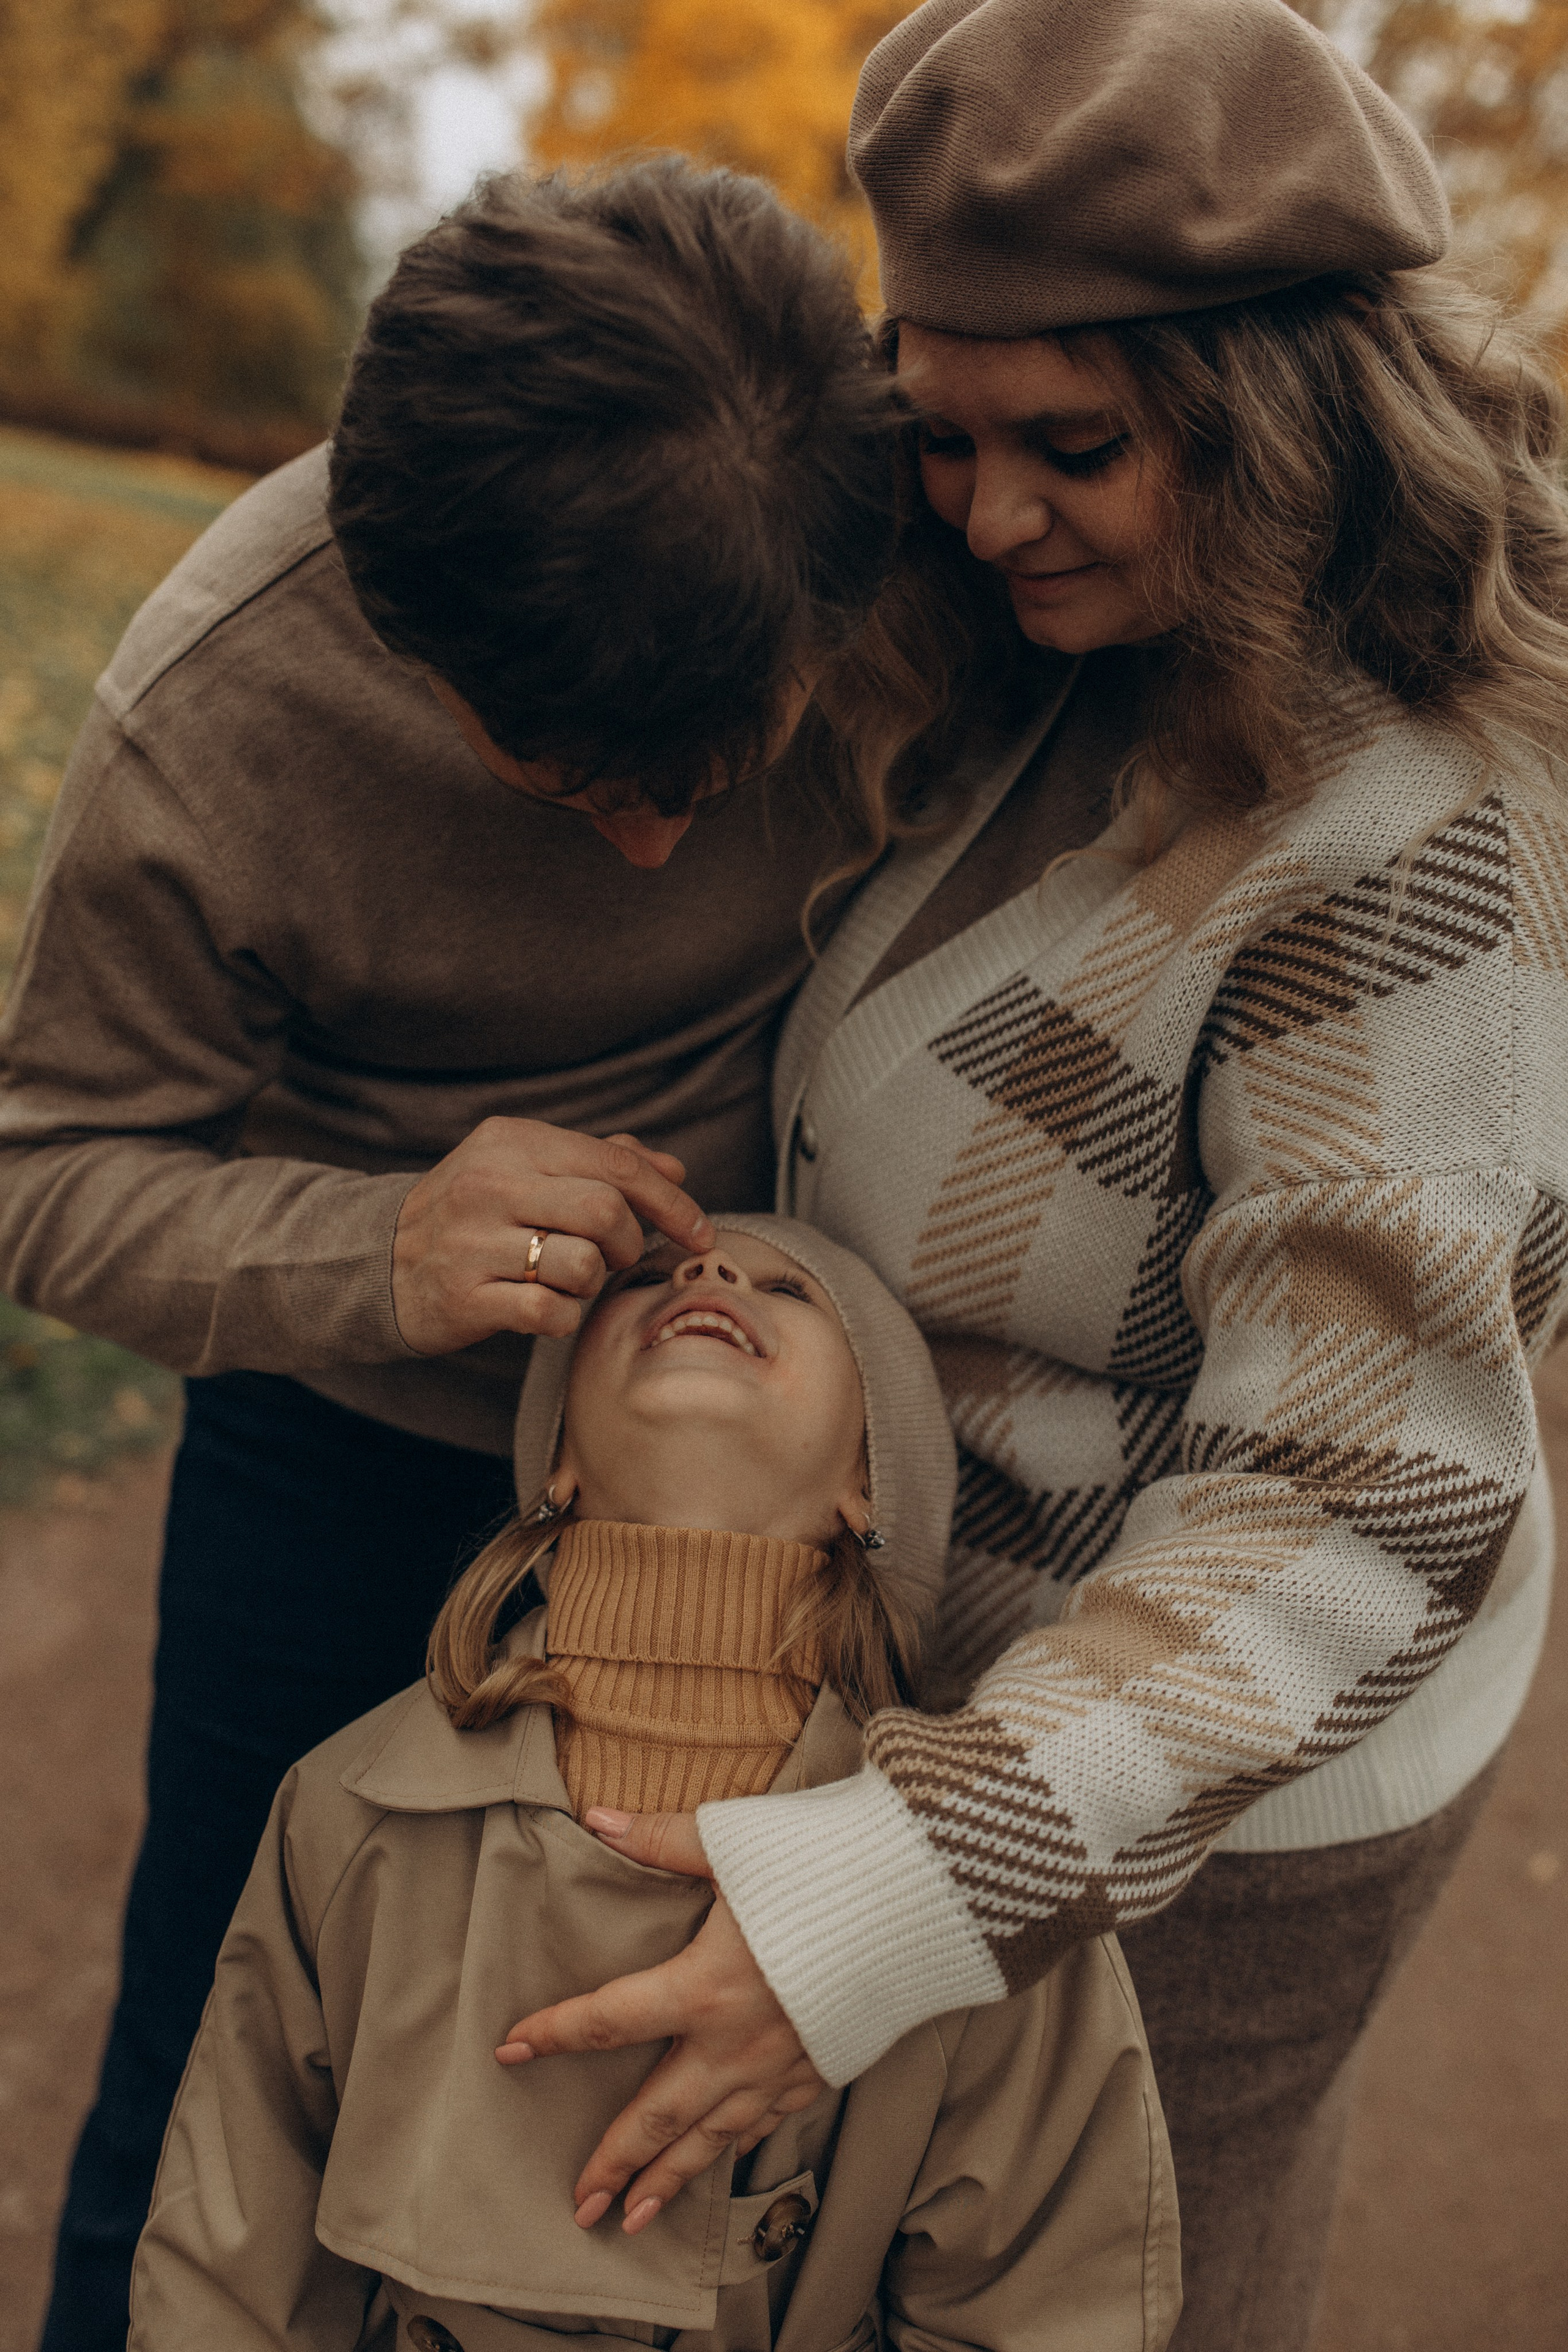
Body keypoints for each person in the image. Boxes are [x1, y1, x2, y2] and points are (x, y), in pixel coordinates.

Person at [484, 7, 1568, 2348]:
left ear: (1287, 413)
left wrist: (885, 1894)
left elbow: (1362, 1503)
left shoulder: (1414, 851)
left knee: (1107, 2293)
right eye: (943, 439)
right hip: (961, 1700)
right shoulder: (1078, 645)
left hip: (1214, 1786)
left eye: (1071, 446)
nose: (984, 518)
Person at [0, 159, 929, 2351]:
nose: (654, 844)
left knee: (767, 2085)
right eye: (573, 779)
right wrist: (375, 1252)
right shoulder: (212, 715)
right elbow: (47, 1167)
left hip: (813, 1477)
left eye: (720, 771)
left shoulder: (916, 536)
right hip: (349, 1457)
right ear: (394, 621)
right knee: (239, 2055)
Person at [128, 1220, 1180, 2351]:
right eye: (643, 1278)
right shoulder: (348, 1808)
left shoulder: (967, 1878)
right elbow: (231, 2249)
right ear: (558, 1466)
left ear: (870, 1487)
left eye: (786, 1289)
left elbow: (1043, 2302)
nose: (709, 1272)